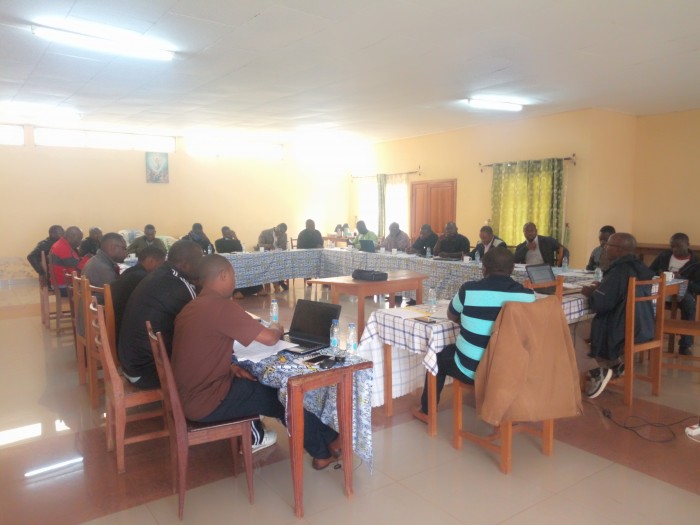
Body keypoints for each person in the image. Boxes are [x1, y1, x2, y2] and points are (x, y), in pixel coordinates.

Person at [172, 255, 342, 465]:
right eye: (233, 275)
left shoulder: (191, 308)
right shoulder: (221, 307)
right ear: (224, 275)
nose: (235, 282)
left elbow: (199, 353)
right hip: (208, 401)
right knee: (282, 398)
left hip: (190, 395)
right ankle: (324, 449)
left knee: (265, 386)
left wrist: (232, 367)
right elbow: (270, 339)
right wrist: (277, 328)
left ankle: (329, 439)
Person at [413, 248, 535, 419]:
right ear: (512, 269)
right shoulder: (528, 296)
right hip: (511, 370)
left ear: (484, 268)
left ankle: (427, 411)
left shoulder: (469, 290)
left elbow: (451, 315)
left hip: (471, 369)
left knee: (437, 358)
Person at [118, 240, 202, 390]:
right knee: (211, 360)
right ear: (184, 264)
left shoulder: (161, 273)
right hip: (148, 371)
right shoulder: (180, 286)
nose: (202, 264)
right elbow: (200, 326)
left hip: (131, 364)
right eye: (199, 260)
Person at [581, 233, 655, 398]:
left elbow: (600, 304)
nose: (605, 247)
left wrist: (591, 293)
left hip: (621, 328)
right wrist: (603, 288)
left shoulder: (619, 271)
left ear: (619, 250)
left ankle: (596, 372)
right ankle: (614, 365)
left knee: (571, 329)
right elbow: (617, 294)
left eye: (609, 245)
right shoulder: (640, 268)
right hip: (642, 326)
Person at [649, 232, 700, 355]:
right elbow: (649, 271)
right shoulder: (664, 256)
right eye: (672, 246)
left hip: (683, 293)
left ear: (688, 245)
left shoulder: (696, 262)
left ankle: (685, 345)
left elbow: (698, 287)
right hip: (661, 290)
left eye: (678, 246)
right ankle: (648, 337)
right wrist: (660, 274)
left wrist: (682, 279)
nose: (674, 249)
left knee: (689, 304)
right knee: (644, 300)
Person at [110, 245, 166, 345]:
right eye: (161, 264)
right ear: (151, 261)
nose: (161, 269)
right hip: (123, 336)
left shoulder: (129, 272)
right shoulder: (144, 279)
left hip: (113, 325)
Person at [214, 226, 266, 299]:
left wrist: (235, 237)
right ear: (223, 233)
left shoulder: (235, 241)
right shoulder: (218, 242)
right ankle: (237, 291)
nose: (229, 234)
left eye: (230, 233)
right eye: (227, 233)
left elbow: (240, 250)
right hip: (228, 263)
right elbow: (221, 251)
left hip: (239, 262)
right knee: (236, 272)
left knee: (250, 269)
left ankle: (259, 289)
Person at [49, 226, 84, 295]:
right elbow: (76, 273)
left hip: (59, 283)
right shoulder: (64, 248)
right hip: (63, 287)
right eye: (79, 239)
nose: (80, 242)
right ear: (71, 237)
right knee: (93, 287)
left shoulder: (61, 244)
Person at [256, 223, 288, 292]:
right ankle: (279, 282)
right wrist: (269, 246)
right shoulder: (265, 233)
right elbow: (259, 245)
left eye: (282, 232)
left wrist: (280, 248)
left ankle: (279, 281)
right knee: (272, 266)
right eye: (279, 231)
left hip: (278, 256)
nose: (280, 233)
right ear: (276, 227)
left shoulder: (284, 235)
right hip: (266, 256)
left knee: (284, 264)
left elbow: (284, 247)